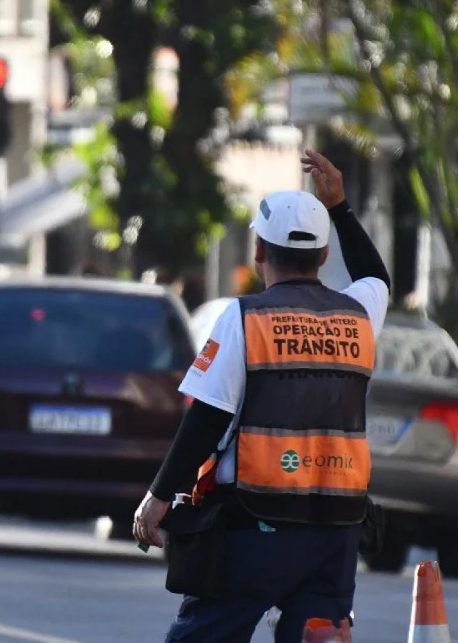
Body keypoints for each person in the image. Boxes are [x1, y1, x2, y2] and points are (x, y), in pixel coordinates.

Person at [132, 149, 391, 642]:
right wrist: (339, 208)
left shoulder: (245, 318)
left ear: (258, 253)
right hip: (336, 532)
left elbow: (207, 418)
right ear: (322, 255)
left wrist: (158, 497)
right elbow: (375, 276)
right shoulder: (359, 317)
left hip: (255, 528)